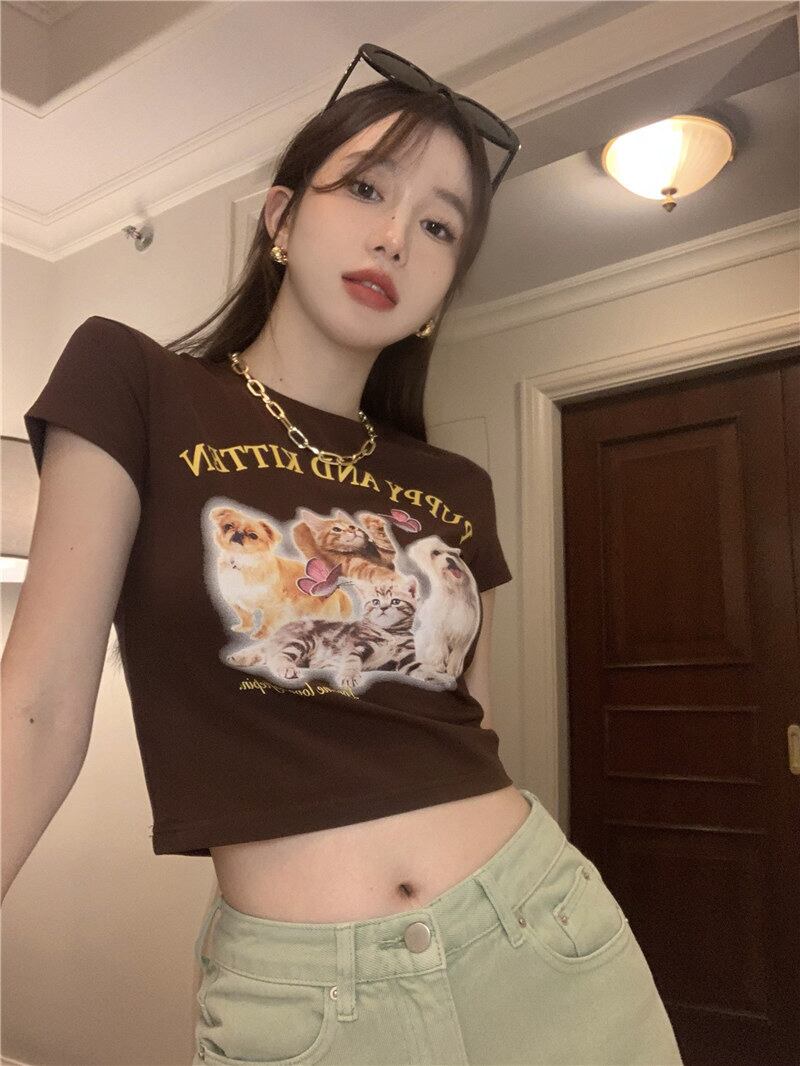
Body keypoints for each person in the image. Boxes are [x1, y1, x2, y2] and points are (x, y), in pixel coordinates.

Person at [4, 43, 683, 1066]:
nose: (394, 236)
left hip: (542, 939)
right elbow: (36, 709)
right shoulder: (133, 382)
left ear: (443, 291)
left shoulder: (454, 485)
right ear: (279, 219)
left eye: (438, 226)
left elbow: (470, 727)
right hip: (305, 1000)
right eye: (366, 187)